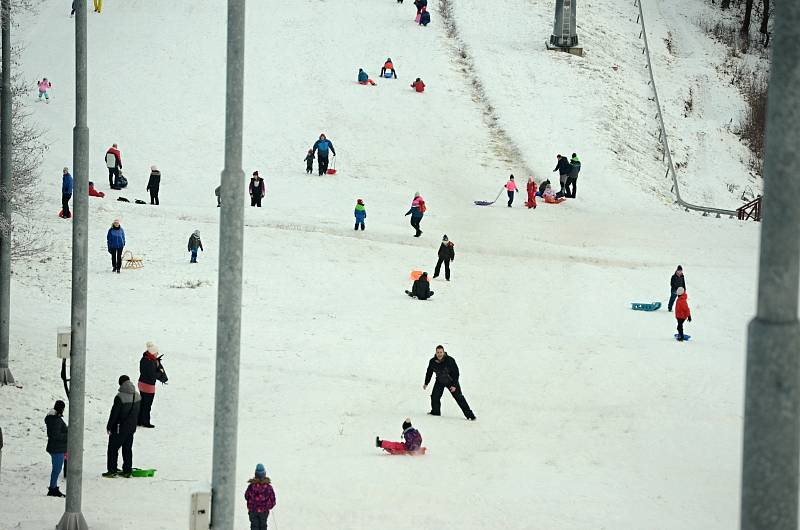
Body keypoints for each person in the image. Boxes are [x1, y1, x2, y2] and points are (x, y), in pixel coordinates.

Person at [424, 345, 475, 420]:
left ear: (443, 352)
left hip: (451, 381)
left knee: (459, 398)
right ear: (436, 353)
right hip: (440, 381)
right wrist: (426, 383)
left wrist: (454, 385)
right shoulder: (432, 361)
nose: (439, 354)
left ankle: (470, 415)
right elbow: (429, 372)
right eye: (438, 352)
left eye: (441, 352)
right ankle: (435, 412)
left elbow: (456, 373)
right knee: (434, 396)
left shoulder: (450, 360)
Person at [104, 375, 141, 478]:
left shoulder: (120, 397)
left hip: (120, 428)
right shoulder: (137, 395)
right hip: (131, 428)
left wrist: (109, 426)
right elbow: (138, 412)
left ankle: (112, 470)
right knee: (127, 449)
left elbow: (114, 414)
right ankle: (127, 470)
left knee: (113, 449)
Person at [138, 342, 167, 428]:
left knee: (142, 403)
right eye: (156, 352)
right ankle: (145, 422)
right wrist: (160, 373)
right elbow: (152, 375)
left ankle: (139, 421)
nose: (157, 354)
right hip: (148, 386)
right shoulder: (151, 362)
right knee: (147, 405)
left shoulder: (143, 359)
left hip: (141, 383)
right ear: (152, 352)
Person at [45, 400, 68, 497]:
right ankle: (52, 488)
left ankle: (53, 487)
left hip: (54, 447)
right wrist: (69, 434)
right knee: (57, 469)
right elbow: (57, 435)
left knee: (56, 468)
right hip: (57, 448)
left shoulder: (51, 418)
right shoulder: (56, 420)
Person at [244, 463, 276, 530]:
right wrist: (269, 506)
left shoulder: (251, 487)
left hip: (253, 511)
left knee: (254, 526)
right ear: (264, 474)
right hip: (264, 512)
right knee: (263, 526)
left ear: (255, 474)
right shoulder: (268, 487)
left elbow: (246, 496)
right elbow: (273, 500)